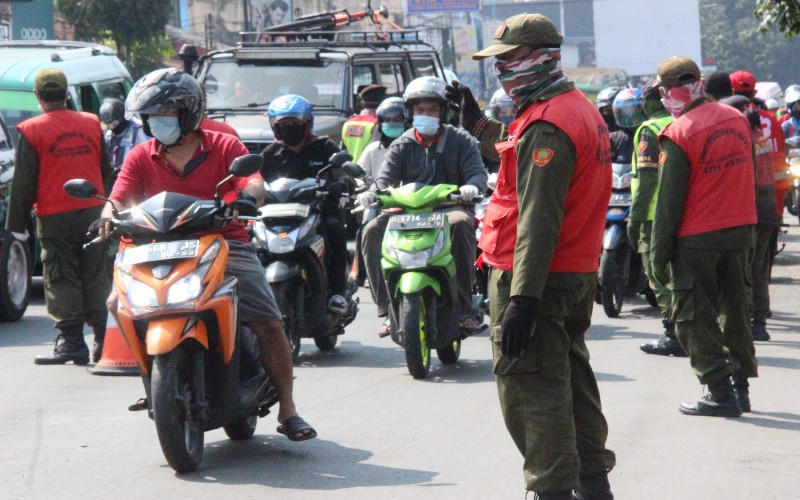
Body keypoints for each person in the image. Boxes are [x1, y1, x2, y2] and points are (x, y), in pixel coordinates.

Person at [447, 14, 616, 499]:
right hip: (571, 272)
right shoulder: (572, 108)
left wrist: (522, 298)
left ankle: (551, 489)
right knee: (572, 382)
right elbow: (514, 152)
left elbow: (538, 220)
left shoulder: (548, 124)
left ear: (542, 57)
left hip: (536, 277)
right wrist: (479, 125)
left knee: (533, 390)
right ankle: (592, 484)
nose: (501, 70)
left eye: (509, 59)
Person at [100, 68, 316, 441]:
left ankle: (288, 409)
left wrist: (247, 198)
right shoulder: (140, 155)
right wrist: (106, 216)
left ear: (187, 112)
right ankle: (153, 375)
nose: (156, 122)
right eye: (151, 115)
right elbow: (117, 197)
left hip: (223, 242)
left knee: (268, 322)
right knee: (115, 303)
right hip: (155, 247)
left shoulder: (223, 145)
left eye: (165, 113)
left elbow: (253, 181)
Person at [652, 56, 757, 418]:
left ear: (668, 92)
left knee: (694, 316)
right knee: (736, 312)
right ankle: (740, 389)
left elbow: (668, 203)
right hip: (740, 229)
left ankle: (718, 391)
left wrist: (657, 256)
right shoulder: (738, 120)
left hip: (697, 238)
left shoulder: (678, 133)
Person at [358, 76, 487, 338]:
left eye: (432, 109)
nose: (425, 115)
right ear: (410, 112)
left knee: (462, 225)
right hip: (407, 212)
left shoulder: (460, 141)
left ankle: (464, 307)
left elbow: (477, 173)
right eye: (419, 110)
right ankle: (386, 308)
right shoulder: (402, 144)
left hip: (448, 209)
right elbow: (384, 180)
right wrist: (372, 193)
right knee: (371, 229)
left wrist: (472, 186)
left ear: (443, 112)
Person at [6, 68, 112, 365]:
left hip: (55, 215)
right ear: (67, 95)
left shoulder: (32, 129)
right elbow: (106, 168)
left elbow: (24, 182)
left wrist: (14, 228)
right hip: (94, 210)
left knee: (60, 275)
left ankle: (72, 343)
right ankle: (104, 342)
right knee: (95, 273)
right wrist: (109, 205)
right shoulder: (92, 123)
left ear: (38, 97)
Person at [261, 94, 354, 308]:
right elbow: (253, 180)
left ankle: (337, 293)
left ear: (306, 124)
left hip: (318, 213)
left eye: (294, 124)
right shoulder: (270, 154)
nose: (288, 128)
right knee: (250, 240)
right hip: (278, 217)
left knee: (335, 230)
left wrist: (343, 183)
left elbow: (344, 172)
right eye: (283, 124)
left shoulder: (325, 147)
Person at [629, 82, 684, 357]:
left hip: (653, 219)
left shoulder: (648, 130)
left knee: (659, 278)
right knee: (679, 277)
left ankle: (675, 335)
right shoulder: (680, 124)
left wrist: (634, 220)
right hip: (682, 214)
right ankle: (688, 331)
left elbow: (646, 181)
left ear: (650, 104)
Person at [718, 97, 779, 342]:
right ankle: (759, 320)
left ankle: (751, 321)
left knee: (747, 270)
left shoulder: (744, 139)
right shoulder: (759, 133)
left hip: (752, 211)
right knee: (760, 268)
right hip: (767, 209)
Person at [730, 70, 788, 225]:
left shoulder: (729, 119)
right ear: (754, 92)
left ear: (731, 91)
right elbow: (781, 154)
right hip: (770, 197)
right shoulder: (771, 119)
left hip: (742, 200)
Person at [99, 98, 148, 192]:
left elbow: (147, 156)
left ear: (122, 118)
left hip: (137, 181)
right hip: (117, 182)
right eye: (109, 125)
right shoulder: (108, 133)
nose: (112, 128)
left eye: (115, 124)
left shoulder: (139, 129)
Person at [341, 84, 387, 163]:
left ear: (362, 104)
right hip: (370, 172)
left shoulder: (347, 123)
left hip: (350, 171)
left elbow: (343, 152)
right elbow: (378, 152)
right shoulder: (377, 124)